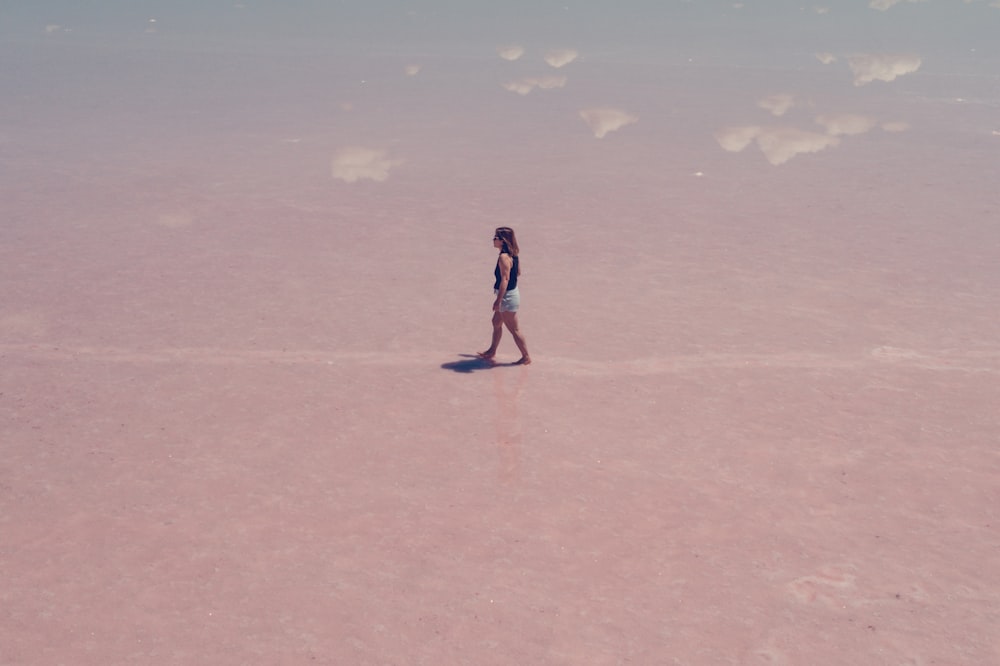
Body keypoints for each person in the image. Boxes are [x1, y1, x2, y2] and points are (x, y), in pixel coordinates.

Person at [478, 227, 531, 365]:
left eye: (495, 237)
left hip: (507, 297)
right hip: (511, 294)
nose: (493, 240)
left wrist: (498, 300)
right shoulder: (513, 254)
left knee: (514, 329)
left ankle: (526, 357)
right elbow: (518, 273)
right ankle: (492, 351)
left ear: (502, 241)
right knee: (496, 322)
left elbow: (505, 280)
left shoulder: (503, 257)